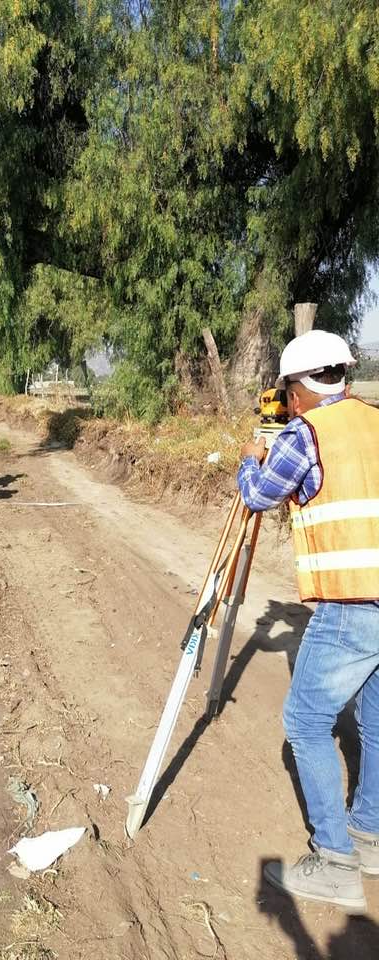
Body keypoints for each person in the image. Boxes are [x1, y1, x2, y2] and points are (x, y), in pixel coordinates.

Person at [236, 329, 379, 912]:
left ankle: (334, 861)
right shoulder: (373, 421)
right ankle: (368, 835)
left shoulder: (305, 432)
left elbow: (261, 495)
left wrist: (251, 464)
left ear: (298, 390)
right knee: (372, 722)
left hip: (352, 601)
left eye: (286, 389)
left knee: (305, 720)